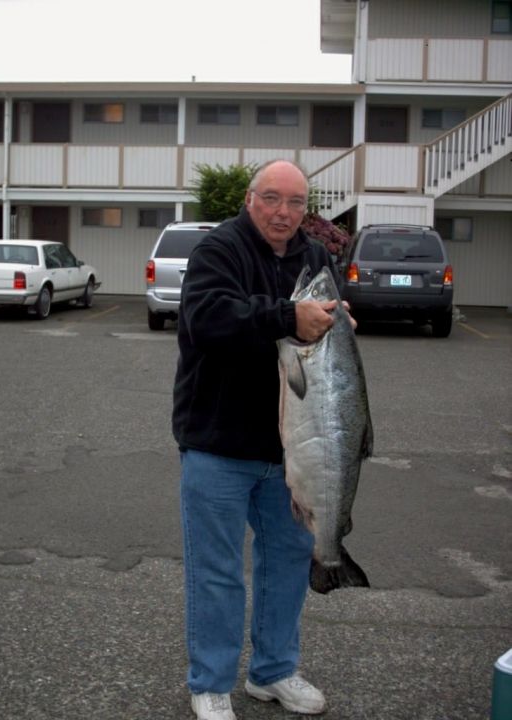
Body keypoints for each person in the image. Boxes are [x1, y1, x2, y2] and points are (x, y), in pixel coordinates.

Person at [172, 159, 347, 720]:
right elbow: (206, 318)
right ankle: (211, 682)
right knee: (217, 570)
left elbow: (322, 318)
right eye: (272, 199)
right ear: (250, 199)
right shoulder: (219, 249)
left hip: (291, 451)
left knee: (288, 562)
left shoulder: (313, 256)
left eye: (296, 203)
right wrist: (287, 317)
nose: (284, 213)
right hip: (218, 443)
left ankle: (272, 672)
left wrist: (336, 318)